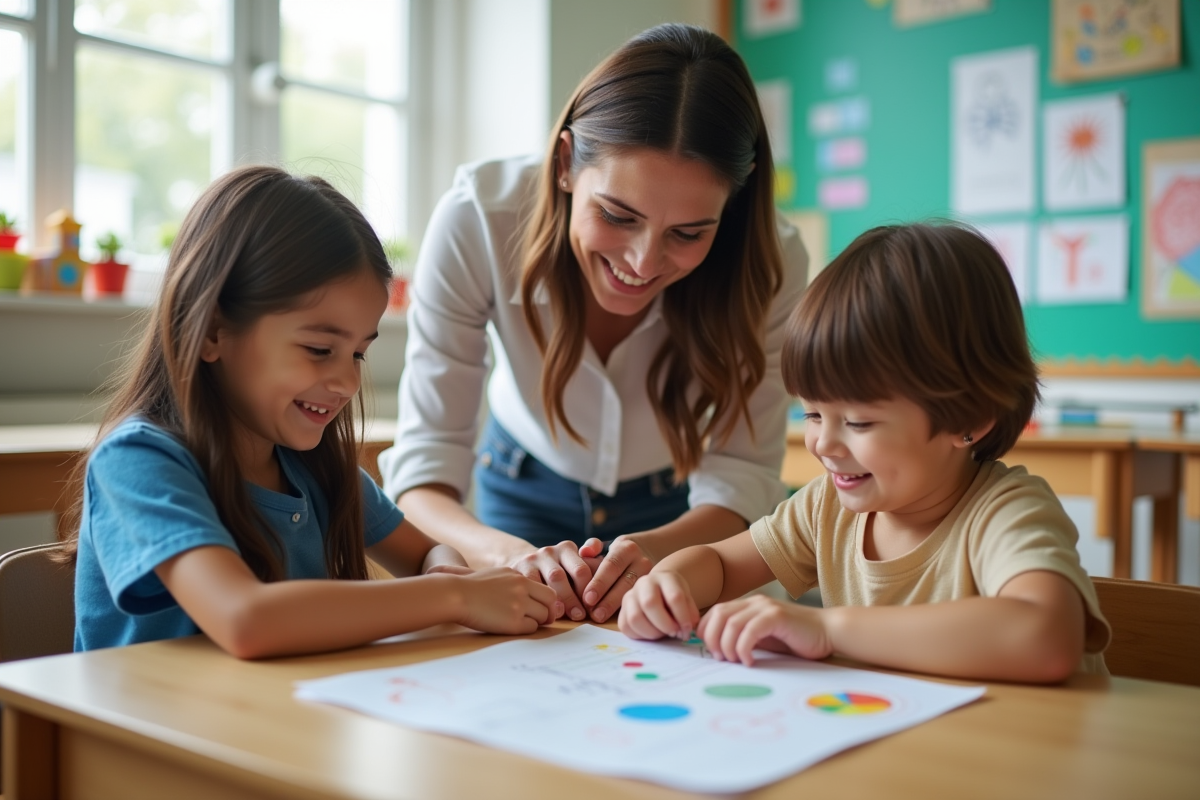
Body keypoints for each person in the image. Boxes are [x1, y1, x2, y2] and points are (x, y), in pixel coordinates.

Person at [380, 23, 808, 627]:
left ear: (730, 209)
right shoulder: (478, 218)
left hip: (680, 510)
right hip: (515, 489)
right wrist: (507, 557)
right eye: (616, 214)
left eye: (688, 234)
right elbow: (424, 469)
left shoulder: (772, 262)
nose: (641, 261)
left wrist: (652, 557)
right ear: (564, 164)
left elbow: (742, 479)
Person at [64, 165, 558, 659]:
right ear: (214, 331)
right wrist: (455, 596)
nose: (347, 382)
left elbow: (427, 550)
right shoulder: (138, 461)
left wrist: (443, 572)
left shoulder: (313, 467)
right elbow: (246, 619)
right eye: (320, 349)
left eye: (358, 353)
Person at [619, 222, 1112, 683]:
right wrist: (669, 582)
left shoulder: (1006, 512)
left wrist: (828, 629)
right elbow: (723, 565)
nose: (824, 445)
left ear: (968, 419)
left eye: (858, 422)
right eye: (812, 414)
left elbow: (1046, 637)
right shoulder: (825, 510)